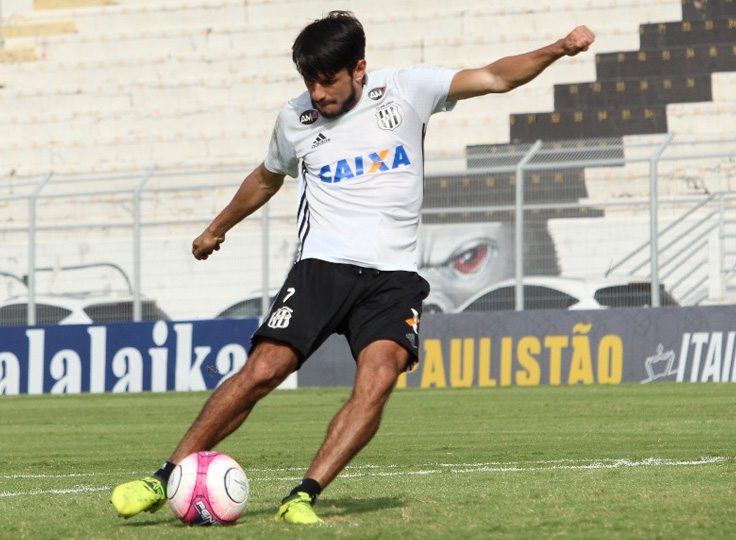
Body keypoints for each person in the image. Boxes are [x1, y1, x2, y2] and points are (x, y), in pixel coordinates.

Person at [111, 11, 595, 525]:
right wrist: (217, 227)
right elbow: (267, 177)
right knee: (264, 370)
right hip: (323, 267)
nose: (317, 94)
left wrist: (558, 48)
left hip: (393, 278)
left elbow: (496, 77)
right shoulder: (294, 119)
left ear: (359, 68)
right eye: (308, 82)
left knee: (379, 378)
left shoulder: (408, 89)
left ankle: (302, 497)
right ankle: (162, 478)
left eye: (327, 80)